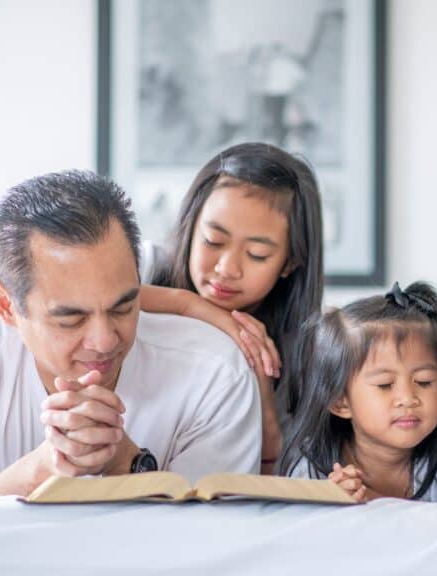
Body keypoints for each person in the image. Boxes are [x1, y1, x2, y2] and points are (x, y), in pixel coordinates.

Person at [0, 170, 261, 496]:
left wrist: (124, 461)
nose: (105, 340)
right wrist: (42, 469)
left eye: (123, 307)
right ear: (6, 306)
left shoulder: (215, 370)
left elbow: (216, 544)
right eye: (70, 318)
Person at [138, 142, 324, 474]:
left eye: (256, 254)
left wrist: (265, 405)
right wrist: (187, 305)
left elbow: (276, 486)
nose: (227, 268)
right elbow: (81, 296)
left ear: (289, 263)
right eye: (213, 240)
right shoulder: (146, 267)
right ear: (192, 225)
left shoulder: (306, 351)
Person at [279, 282, 437, 503]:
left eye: (424, 382)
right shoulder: (312, 470)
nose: (408, 398)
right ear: (340, 401)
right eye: (385, 384)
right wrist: (328, 503)